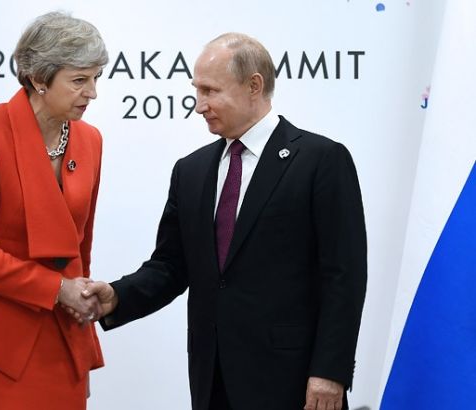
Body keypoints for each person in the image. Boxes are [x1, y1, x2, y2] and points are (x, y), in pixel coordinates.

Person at [82, 33, 367, 410]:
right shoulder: (191, 170)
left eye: (210, 91)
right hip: (212, 379)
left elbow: (344, 275)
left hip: (293, 381)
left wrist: (331, 371)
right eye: (196, 90)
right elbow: (171, 266)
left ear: (254, 86)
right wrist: (118, 295)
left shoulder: (321, 160)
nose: (199, 105)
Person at [0, 12, 108, 410]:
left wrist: (81, 321)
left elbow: (79, 247)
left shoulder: (91, 140)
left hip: (60, 338)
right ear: (38, 78)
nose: (93, 92)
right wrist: (56, 289)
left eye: (97, 77)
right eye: (79, 80)